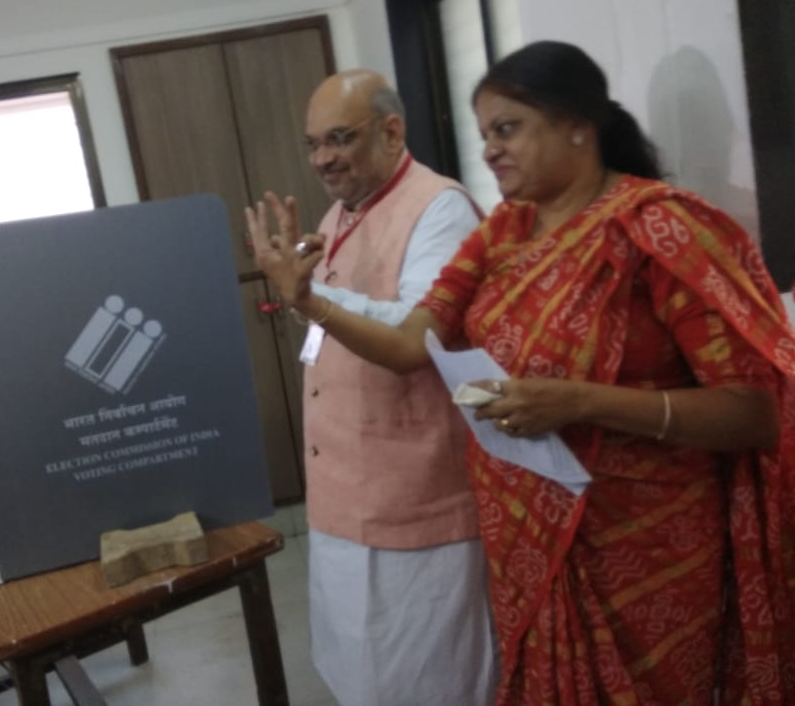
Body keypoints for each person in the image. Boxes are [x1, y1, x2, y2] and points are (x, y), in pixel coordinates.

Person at [247, 42, 795, 704]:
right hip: (527, 543)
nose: (489, 152)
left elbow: (755, 410)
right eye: (485, 135)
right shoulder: (503, 233)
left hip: (644, 550)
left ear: (578, 126)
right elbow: (410, 342)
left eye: (507, 129)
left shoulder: (662, 228)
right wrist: (309, 302)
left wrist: (583, 403)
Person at [288, 69, 498, 705]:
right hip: (339, 497)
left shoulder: (440, 207)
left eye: (339, 139)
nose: (324, 158)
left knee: (429, 680)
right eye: (313, 143)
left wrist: (309, 297)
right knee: (359, 672)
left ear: (391, 131)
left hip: (415, 501)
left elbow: (417, 335)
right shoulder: (340, 212)